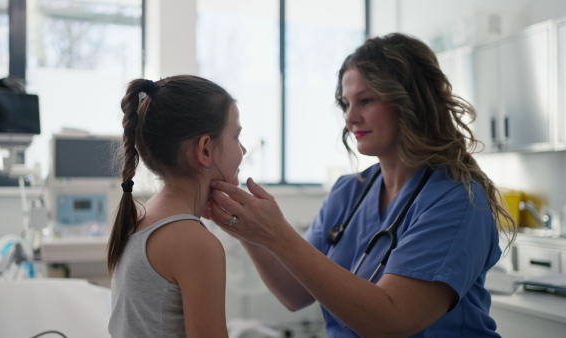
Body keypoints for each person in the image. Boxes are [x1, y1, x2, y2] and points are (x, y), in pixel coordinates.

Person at [206, 33, 517, 337]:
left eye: (366, 100)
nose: (350, 118)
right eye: (345, 104)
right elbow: (295, 294)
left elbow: (390, 322)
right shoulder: (349, 191)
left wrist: (278, 233)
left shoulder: (457, 200)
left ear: (411, 101)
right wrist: (245, 228)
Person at [107, 75, 246, 338]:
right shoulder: (196, 245)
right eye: (237, 136)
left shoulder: (141, 217)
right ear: (205, 150)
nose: (244, 150)